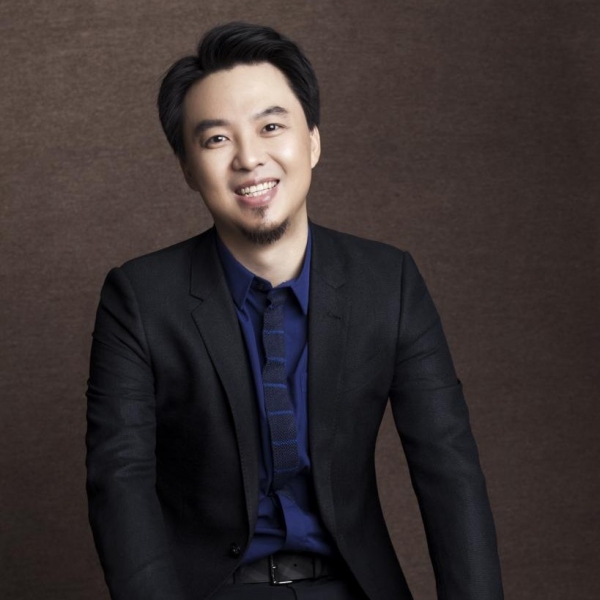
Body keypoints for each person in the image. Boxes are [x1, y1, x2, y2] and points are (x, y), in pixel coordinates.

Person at [86, 22, 503, 600]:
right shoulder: (139, 297)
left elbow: (448, 468)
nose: (249, 158)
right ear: (187, 168)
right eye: (217, 139)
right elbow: (120, 481)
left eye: (271, 127)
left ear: (312, 141)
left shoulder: (389, 282)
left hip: (351, 586)